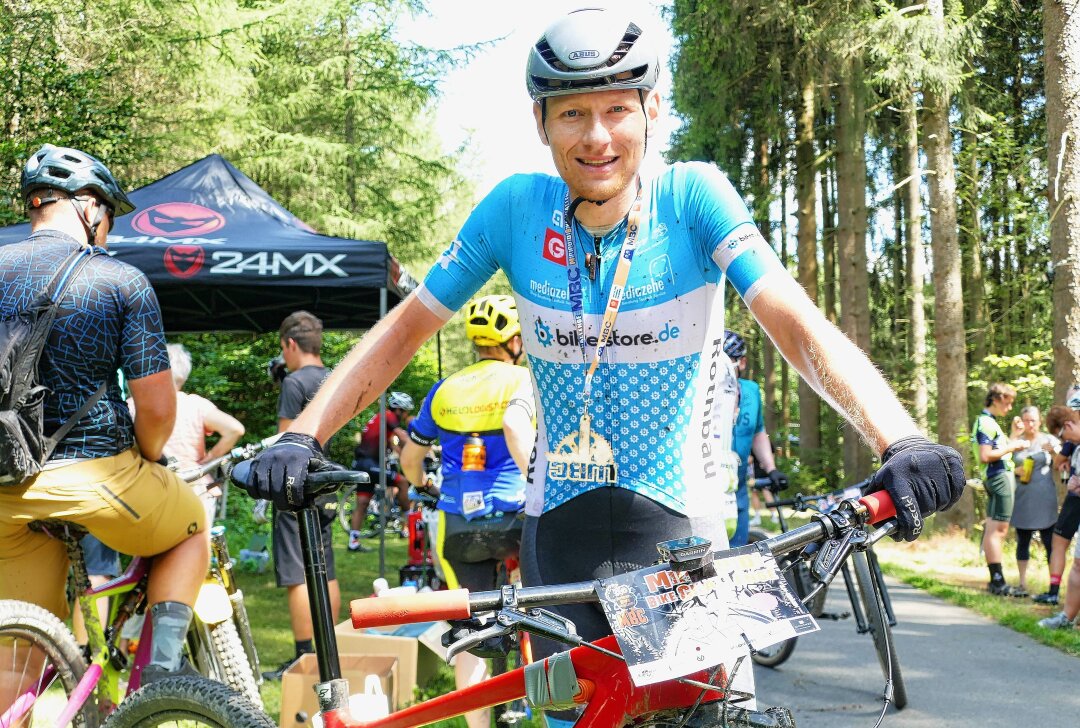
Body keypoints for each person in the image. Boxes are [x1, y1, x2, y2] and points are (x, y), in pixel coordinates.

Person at [238, 8, 964, 721]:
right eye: (572, 114)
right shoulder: (516, 211)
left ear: (651, 108)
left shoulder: (692, 198)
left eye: (617, 109)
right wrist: (305, 432)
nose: (597, 137)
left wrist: (897, 435)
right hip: (560, 537)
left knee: (706, 719)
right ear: (540, 121)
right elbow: (406, 327)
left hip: (679, 534)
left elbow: (793, 322)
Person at [0, 144, 210, 691]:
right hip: (95, 479)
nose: (109, 231)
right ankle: (160, 682)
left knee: (17, 656)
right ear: (88, 207)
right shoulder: (119, 281)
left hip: (2, 489)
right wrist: (150, 454)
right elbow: (159, 410)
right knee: (191, 531)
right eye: (108, 215)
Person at [399, 294, 535, 728]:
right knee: (536, 608)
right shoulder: (523, 382)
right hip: (517, 516)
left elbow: (409, 461)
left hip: (459, 523)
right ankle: (535, 703)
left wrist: (426, 486)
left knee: (471, 631)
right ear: (514, 340)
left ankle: (479, 724)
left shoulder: (444, 389)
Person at [262, 310, 340, 680]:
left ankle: (302, 657)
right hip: (328, 480)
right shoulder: (335, 378)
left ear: (290, 344)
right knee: (326, 566)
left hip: (297, 485)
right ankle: (332, 645)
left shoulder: (294, 384)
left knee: (297, 572)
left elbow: (284, 440)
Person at [130, 343, 246, 523]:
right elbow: (235, 429)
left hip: (153, 490)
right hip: (197, 490)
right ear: (183, 376)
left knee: (152, 548)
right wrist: (209, 459)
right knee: (196, 548)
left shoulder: (135, 405)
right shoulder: (196, 405)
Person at [722, 330, 787, 546]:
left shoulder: (751, 391)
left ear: (741, 362)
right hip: (707, 489)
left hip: (737, 488)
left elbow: (758, 431)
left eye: (728, 360)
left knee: (736, 551)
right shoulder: (703, 392)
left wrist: (770, 468)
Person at [971, 382, 1028, 596]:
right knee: (999, 530)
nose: (1010, 407)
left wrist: (1013, 436)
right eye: (1007, 402)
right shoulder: (986, 422)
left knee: (993, 528)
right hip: (999, 478)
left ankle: (996, 579)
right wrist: (1013, 446)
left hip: (997, 477)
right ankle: (998, 581)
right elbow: (986, 456)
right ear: (995, 399)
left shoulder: (990, 422)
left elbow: (999, 452)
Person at [349, 391, 415, 551]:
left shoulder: (381, 420)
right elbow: (403, 438)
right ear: (399, 409)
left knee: (363, 503)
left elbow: (393, 446)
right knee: (403, 482)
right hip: (370, 464)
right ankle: (410, 520)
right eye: (405, 412)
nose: (405, 415)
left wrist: (405, 456)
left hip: (361, 463)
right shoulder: (389, 416)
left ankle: (353, 542)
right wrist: (420, 450)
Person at [1034, 386, 1080, 605]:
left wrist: (1055, 452)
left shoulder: (1071, 437)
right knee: (1060, 541)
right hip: (1074, 494)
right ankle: (1055, 593)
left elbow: (1058, 462)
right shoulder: (1073, 440)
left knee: (1061, 543)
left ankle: (1055, 593)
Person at [1010, 406, 1060, 596]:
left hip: (1045, 497)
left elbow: (1062, 465)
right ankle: (1022, 584)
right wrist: (1015, 471)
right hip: (1023, 497)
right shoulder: (1017, 441)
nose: (1029, 424)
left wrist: (1054, 452)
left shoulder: (1049, 440)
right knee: (1023, 539)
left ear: (1039, 421)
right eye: (1026, 420)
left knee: (1049, 542)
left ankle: (1052, 587)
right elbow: (1003, 464)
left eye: (1033, 420)